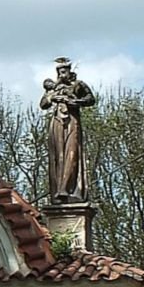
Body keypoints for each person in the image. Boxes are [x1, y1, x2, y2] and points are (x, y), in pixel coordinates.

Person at [39, 58, 97, 202]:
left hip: (72, 121)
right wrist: (53, 95)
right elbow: (43, 104)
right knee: (58, 155)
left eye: (64, 71)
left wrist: (76, 102)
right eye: (60, 72)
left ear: (69, 71)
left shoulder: (77, 85)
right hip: (57, 122)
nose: (62, 74)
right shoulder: (53, 89)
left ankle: (68, 189)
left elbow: (91, 99)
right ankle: (58, 190)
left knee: (71, 154)